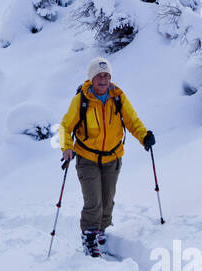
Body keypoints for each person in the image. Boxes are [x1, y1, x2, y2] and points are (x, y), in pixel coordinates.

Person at [58, 57, 155, 257]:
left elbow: (131, 119)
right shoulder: (81, 100)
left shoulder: (117, 97)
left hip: (113, 157)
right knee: (93, 201)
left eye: (106, 76)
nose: (103, 80)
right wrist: (66, 148)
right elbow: (65, 128)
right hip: (87, 158)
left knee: (107, 200)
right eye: (99, 76)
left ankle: (100, 231)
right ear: (91, 78)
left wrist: (144, 136)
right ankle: (89, 237)